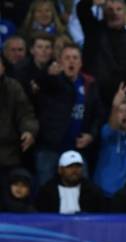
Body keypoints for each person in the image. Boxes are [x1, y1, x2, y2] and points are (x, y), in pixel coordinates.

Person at [35, 44, 101, 185]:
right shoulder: (51, 80)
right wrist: (47, 74)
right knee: (45, 191)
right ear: (60, 62)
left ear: (81, 62)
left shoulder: (90, 84)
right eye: (67, 58)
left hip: (77, 149)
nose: (71, 61)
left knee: (83, 193)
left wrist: (91, 135)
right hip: (50, 148)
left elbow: (97, 115)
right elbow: (39, 84)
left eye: (75, 58)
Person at [77, 0, 126, 107]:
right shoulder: (93, 30)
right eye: (110, 9)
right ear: (104, 12)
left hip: (122, 100)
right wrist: (93, 1)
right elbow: (82, 9)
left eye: (119, 9)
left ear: (125, 13)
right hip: (93, 98)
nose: (115, 13)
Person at [93, 82, 126, 198]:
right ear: (115, 113)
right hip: (102, 189)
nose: (124, 115)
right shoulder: (107, 129)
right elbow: (112, 127)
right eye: (121, 111)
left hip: (123, 192)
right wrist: (115, 106)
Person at [0, 56, 38, 186]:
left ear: (3, 67)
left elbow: (26, 114)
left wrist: (28, 131)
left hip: (9, 155)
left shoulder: (13, 87)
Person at [36, 150, 106, 213]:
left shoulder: (93, 191)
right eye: (70, 166)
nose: (75, 170)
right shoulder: (47, 191)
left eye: (78, 166)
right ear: (60, 170)